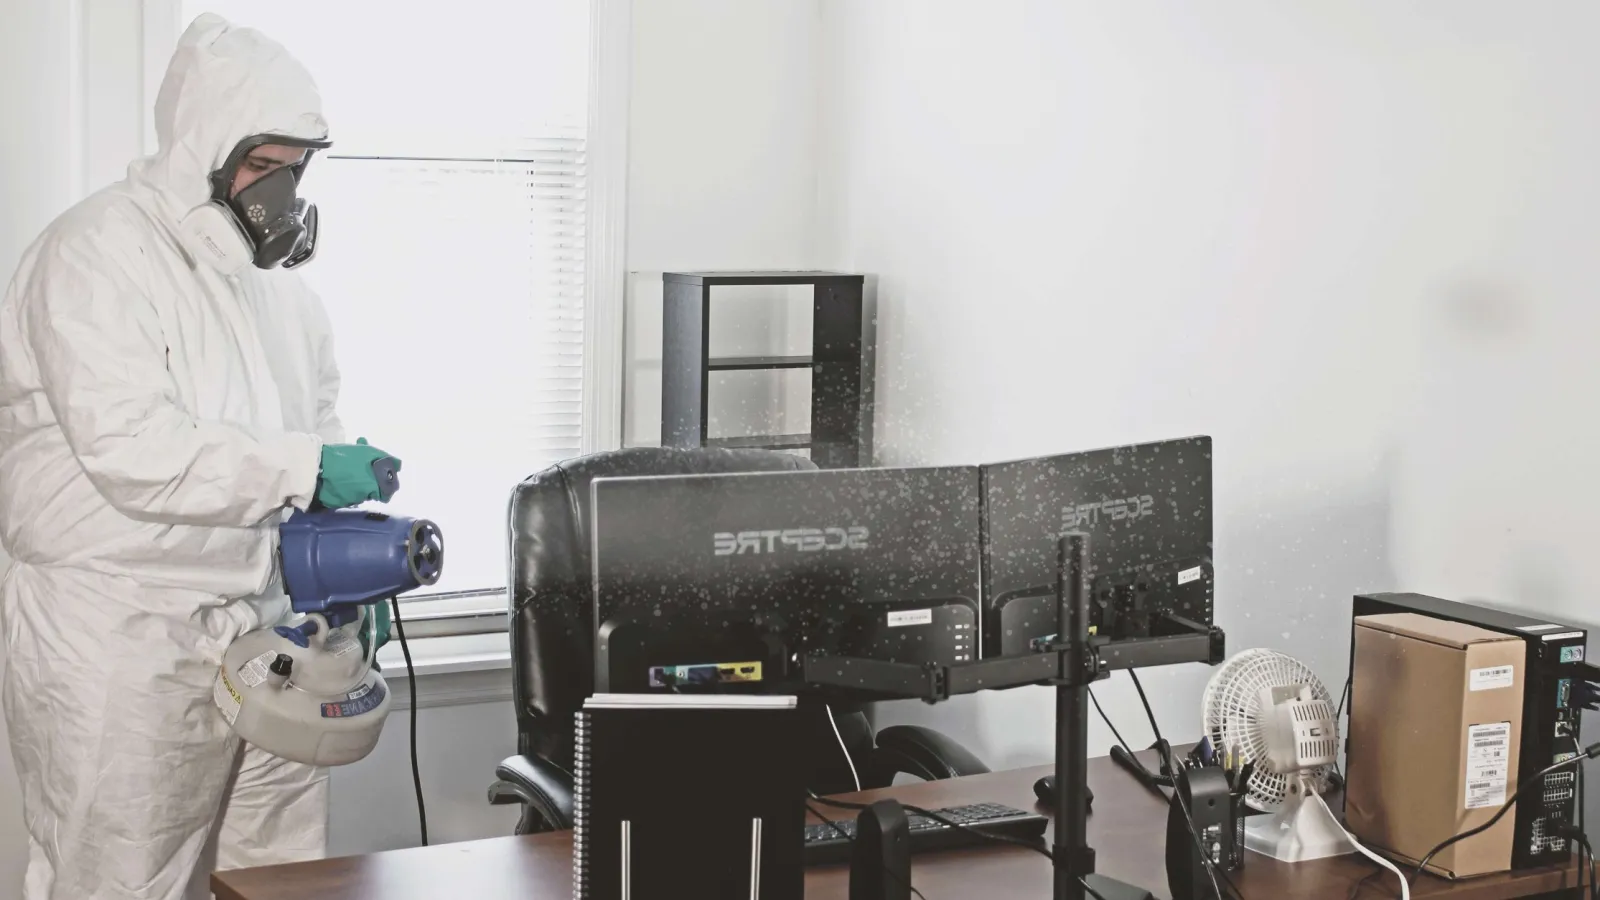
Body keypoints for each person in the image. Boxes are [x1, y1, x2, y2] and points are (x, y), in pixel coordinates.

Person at [0, 14, 396, 900]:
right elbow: (133, 452)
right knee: (121, 880)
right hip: (119, 634)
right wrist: (304, 469)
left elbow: (318, 433)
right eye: (261, 166)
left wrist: (331, 581)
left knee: (281, 873)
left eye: (296, 167)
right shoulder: (96, 255)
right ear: (200, 151)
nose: (281, 192)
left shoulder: (283, 298)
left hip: (263, 628)